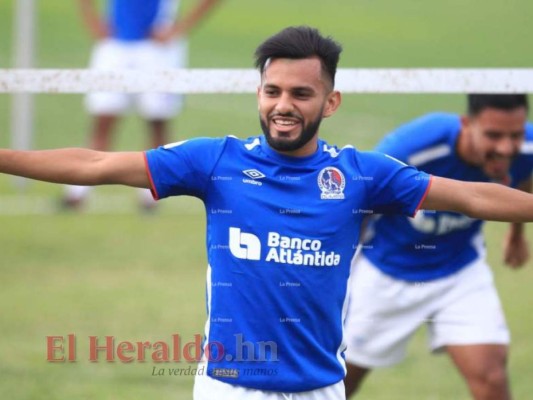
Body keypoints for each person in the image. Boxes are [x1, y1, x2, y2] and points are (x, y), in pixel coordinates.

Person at [2, 26, 533, 400]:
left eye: (302, 93)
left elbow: (474, 196)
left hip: (323, 388)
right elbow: (96, 163)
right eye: (273, 90)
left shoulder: (362, 174)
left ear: (331, 102)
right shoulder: (214, 162)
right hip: (229, 388)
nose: (284, 105)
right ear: (258, 93)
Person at [343, 94, 533, 400]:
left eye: (515, 134)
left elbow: (524, 174)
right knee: (339, 383)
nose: (507, 147)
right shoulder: (414, 146)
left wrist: (517, 234)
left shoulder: (526, 146)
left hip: (458, 273)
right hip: (385, 273)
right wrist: (340, 270)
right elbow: (361, 196)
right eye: (494, 135)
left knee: (492, 379)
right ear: (467, 124)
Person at [63, 0, 221, 210]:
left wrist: (179, 28)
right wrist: (92, 21)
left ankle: (151, 195)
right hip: (115, 45)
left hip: (157, 50)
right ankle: (77, 191)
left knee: (156, 123)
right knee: (102, 121)